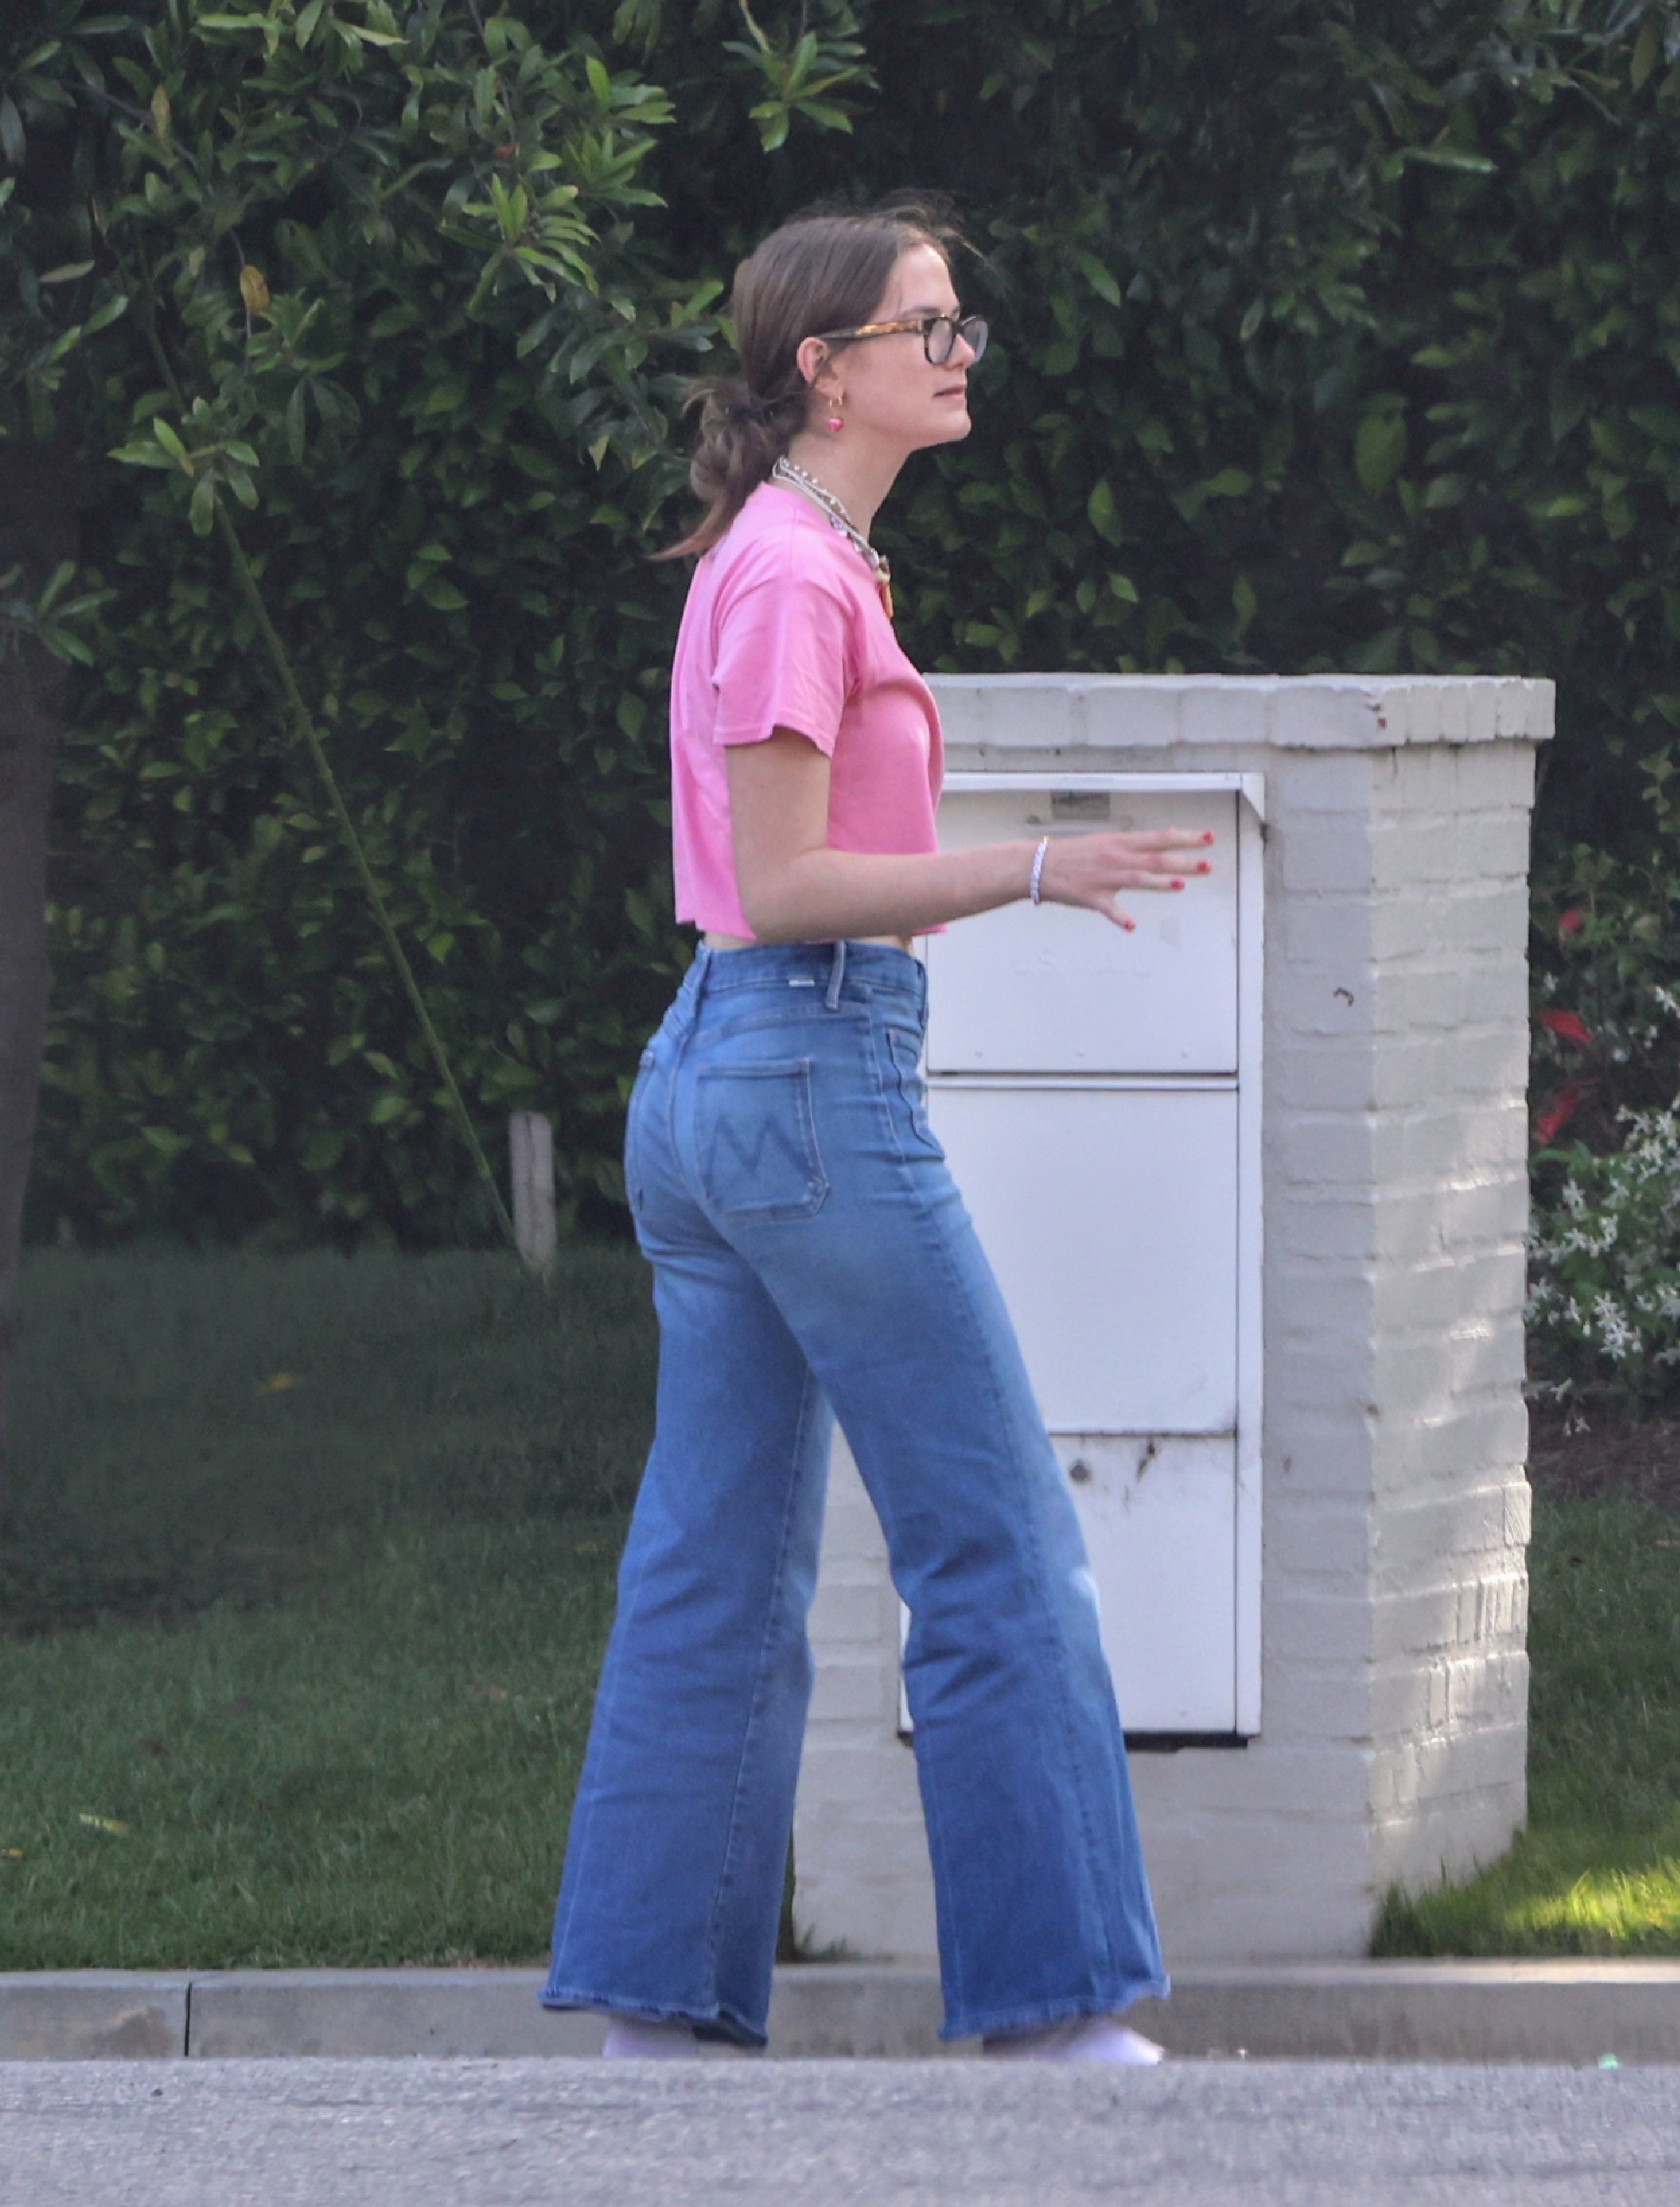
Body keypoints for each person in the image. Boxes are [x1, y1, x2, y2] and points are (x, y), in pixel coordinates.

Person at [541, 199, 1214, 2064]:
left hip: (731, 1093)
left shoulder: (800, 557)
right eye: (924, 326)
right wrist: (1031, 868)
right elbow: (778, 878)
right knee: (996, 1539)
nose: (955, 352)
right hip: (802, 1081)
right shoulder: (788, 578)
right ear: (820, 367)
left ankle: (653, 2027)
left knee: (717, 1563)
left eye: (958, 326)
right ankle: (1062, 2016)